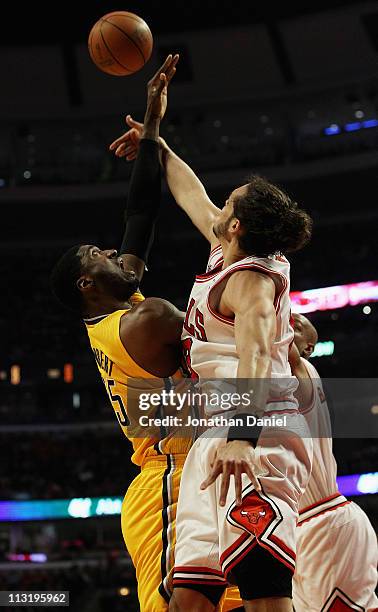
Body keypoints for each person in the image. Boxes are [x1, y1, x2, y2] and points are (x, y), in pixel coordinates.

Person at [51, 56, 241, 612]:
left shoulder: (122, 308)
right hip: (169, 480)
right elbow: (223, 349)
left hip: (204, 463)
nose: (113, 250)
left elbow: (140, 213)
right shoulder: (145, 319)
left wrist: (154, 128)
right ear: (89, 282)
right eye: (100, 254)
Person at [111, 117, 314, 612]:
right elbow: (190, 195)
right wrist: (154, 142)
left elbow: (257, 355)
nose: (217, 208)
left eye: (228, 205)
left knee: (263, 591)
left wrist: (243, 439)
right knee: (190, 596)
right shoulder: (230, 252)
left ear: (237, 225)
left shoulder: (252, 282)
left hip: (255, 431)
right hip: (213, 435)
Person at [290, 313, 378, 612]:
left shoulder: (302, 370)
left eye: (297, 324)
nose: (288, 320)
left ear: (308, 348)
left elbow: (273, 344)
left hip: (324, 519)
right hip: (299, 528)